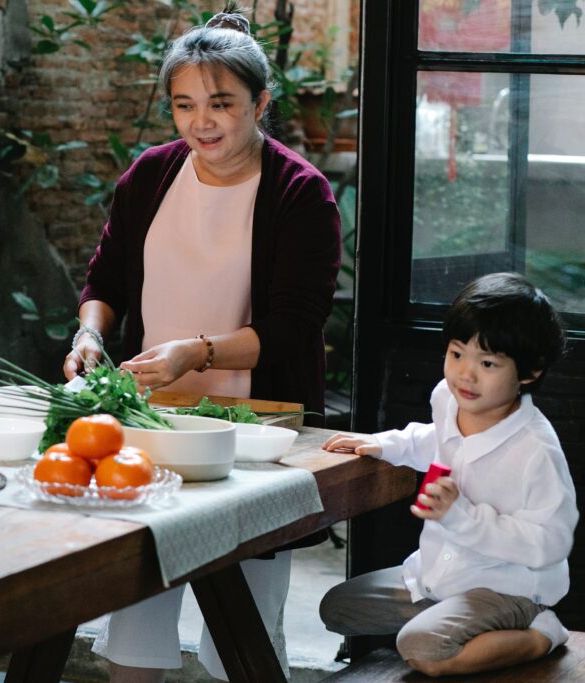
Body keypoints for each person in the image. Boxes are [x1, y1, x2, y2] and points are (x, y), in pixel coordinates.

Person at [62, 7, 341, 681]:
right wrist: (89, 332)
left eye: (221, 103)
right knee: (136, 621)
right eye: (185, 105)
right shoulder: (152, 176)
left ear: (261, 102)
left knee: (240, 642)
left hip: (254, 437)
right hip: (155, 428)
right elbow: (105, 278)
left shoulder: (301, 194)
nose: (201, 123)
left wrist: (194, 352)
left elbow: (290, 329)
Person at [320, 272, 576, 677]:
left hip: (507, 587)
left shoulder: (535, 450)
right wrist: (387, 445)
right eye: (457, 354)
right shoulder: (448, 397)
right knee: (338, 609)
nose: (465, 375)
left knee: (420, 648)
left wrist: (461, 516)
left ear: (528, 373)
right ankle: (452, 621)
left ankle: (540, 632)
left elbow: (552, 542)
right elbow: (435, 439)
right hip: (441, 573)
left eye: (488, 363)